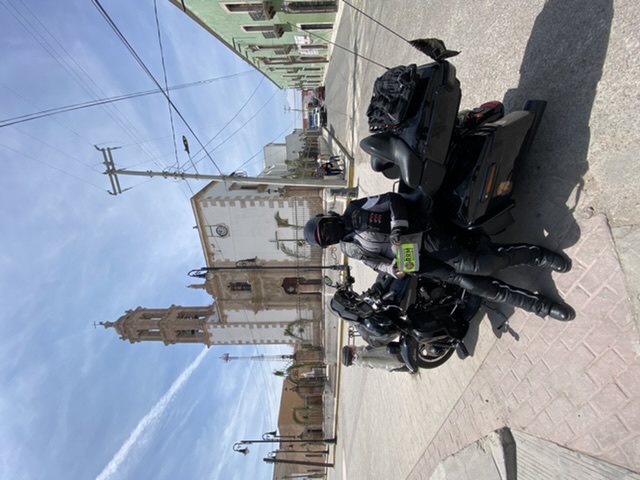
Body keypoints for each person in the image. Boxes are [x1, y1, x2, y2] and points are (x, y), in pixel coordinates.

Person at [304, 192, 575, 321]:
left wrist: (398, 227)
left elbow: (392, 199)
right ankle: (538, 306)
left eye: (326, 228)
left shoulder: (355, 209)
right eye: (326, 238)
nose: (330, 234)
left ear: (327, 217)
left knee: (477, 265)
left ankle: (537, 255)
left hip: (422, 234)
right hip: (415, 263)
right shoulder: (348, 248)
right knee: (472, 284)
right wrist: (391, 270)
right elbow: (371, 261)